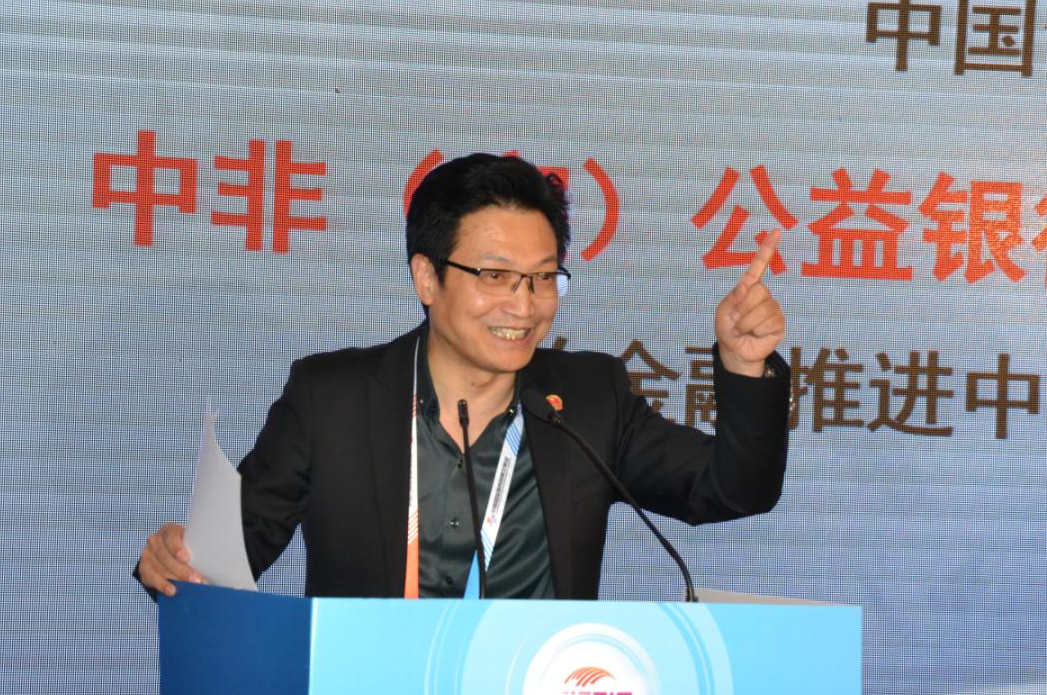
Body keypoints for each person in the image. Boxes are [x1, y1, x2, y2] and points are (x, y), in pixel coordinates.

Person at [137, 153, 790, 600]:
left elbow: (733, 490)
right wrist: (174, 560)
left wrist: (743, 365)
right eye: (495, 276)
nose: (524, 305)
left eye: (542, 278)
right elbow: (228, 556)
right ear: (427, 278)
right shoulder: (331, 400)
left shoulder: (589, 399)